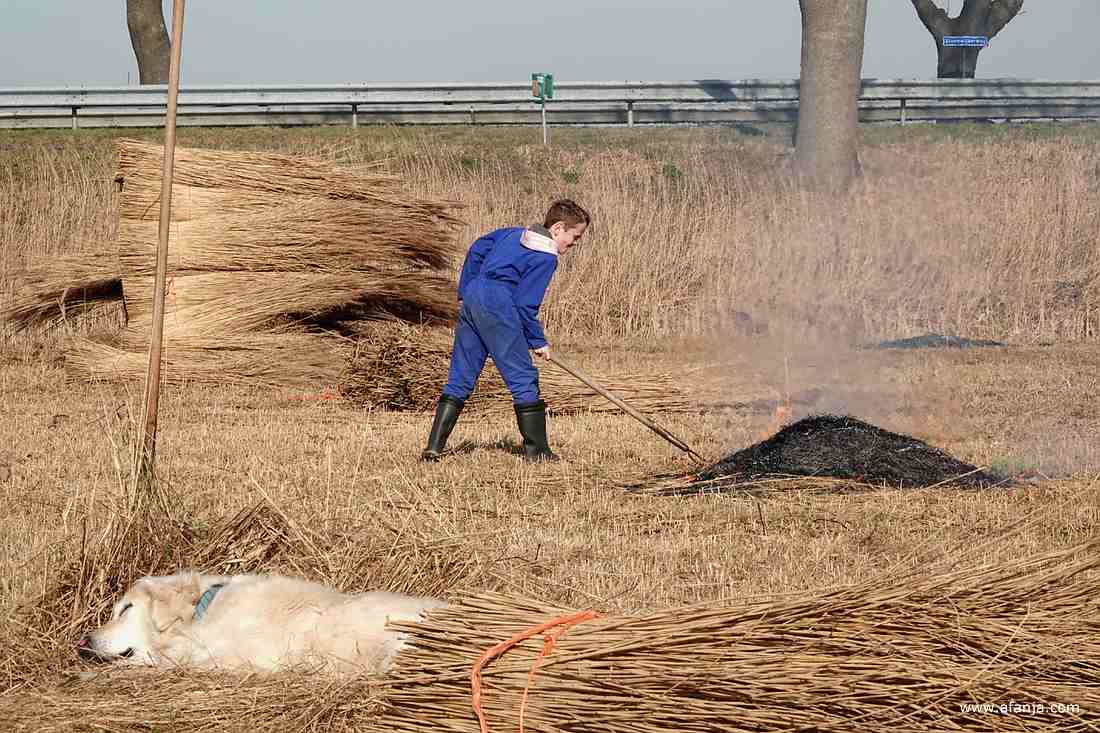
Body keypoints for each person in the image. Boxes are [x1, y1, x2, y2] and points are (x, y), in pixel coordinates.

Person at [422, 199, 590, 463]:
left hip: (474, 297)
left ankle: (433, 449)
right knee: (523, 377)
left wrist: (467, 289)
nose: (575, 243)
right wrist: (538, 340)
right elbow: (525, 305)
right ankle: (537, 452)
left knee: (461, 375)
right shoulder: (546, 257)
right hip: (500, 304)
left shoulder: (512, 233)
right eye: (575, 236)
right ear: (558, 228)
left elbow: (477, 248)